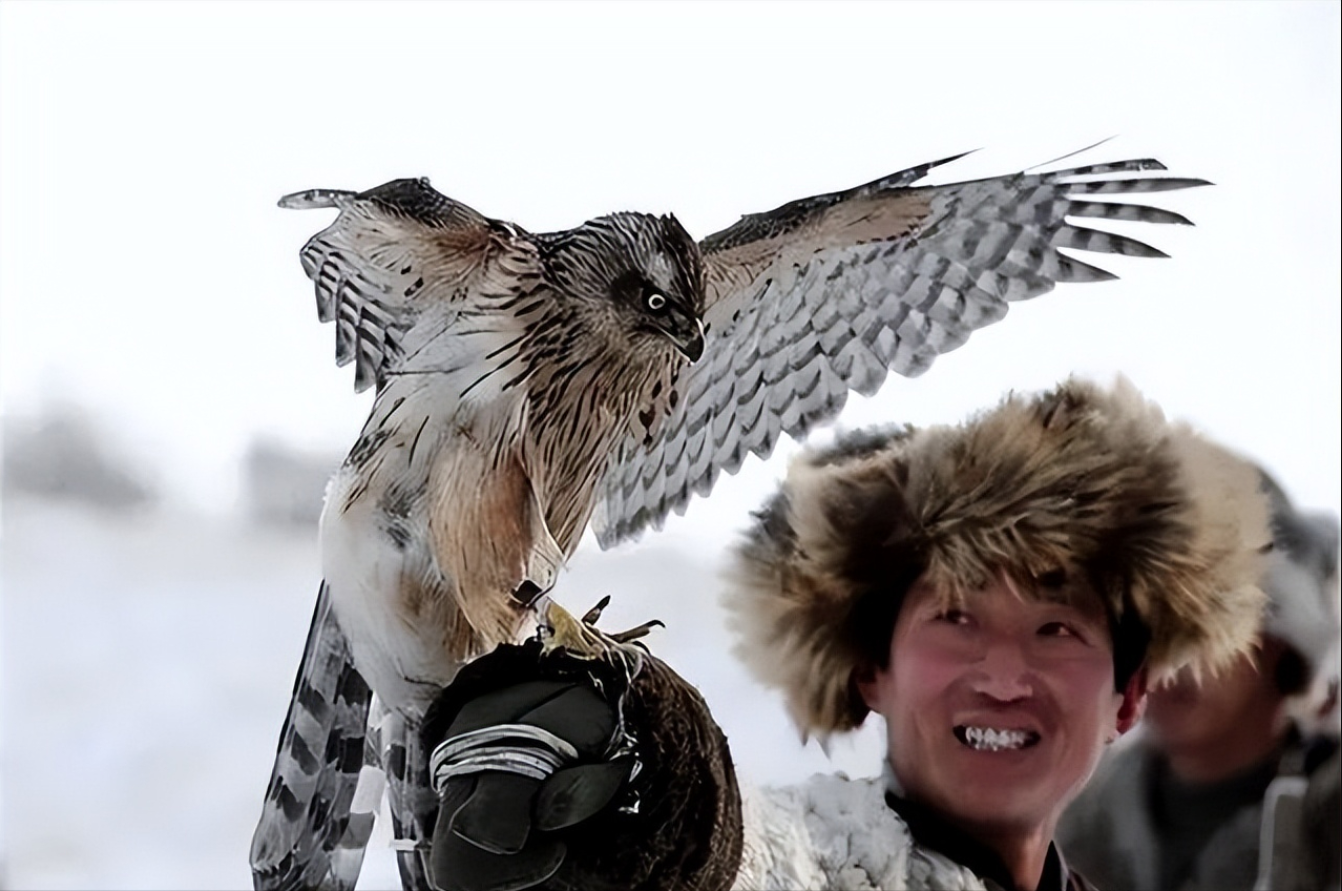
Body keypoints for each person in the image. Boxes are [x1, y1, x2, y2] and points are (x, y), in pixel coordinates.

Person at [420, 377, 1275, 891]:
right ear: (872, 666)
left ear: (1129, 694)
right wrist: (647, 768)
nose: (1006, 674)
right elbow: (741, 851)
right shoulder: (826, 862)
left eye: (1056, 626)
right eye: (958, 617)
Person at [1056, 470, 1341, 891]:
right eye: (1148, 624)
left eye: (1199, 626)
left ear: (1278, 641)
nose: (1167, 661)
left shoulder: (1328, 813)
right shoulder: (1076, 815)